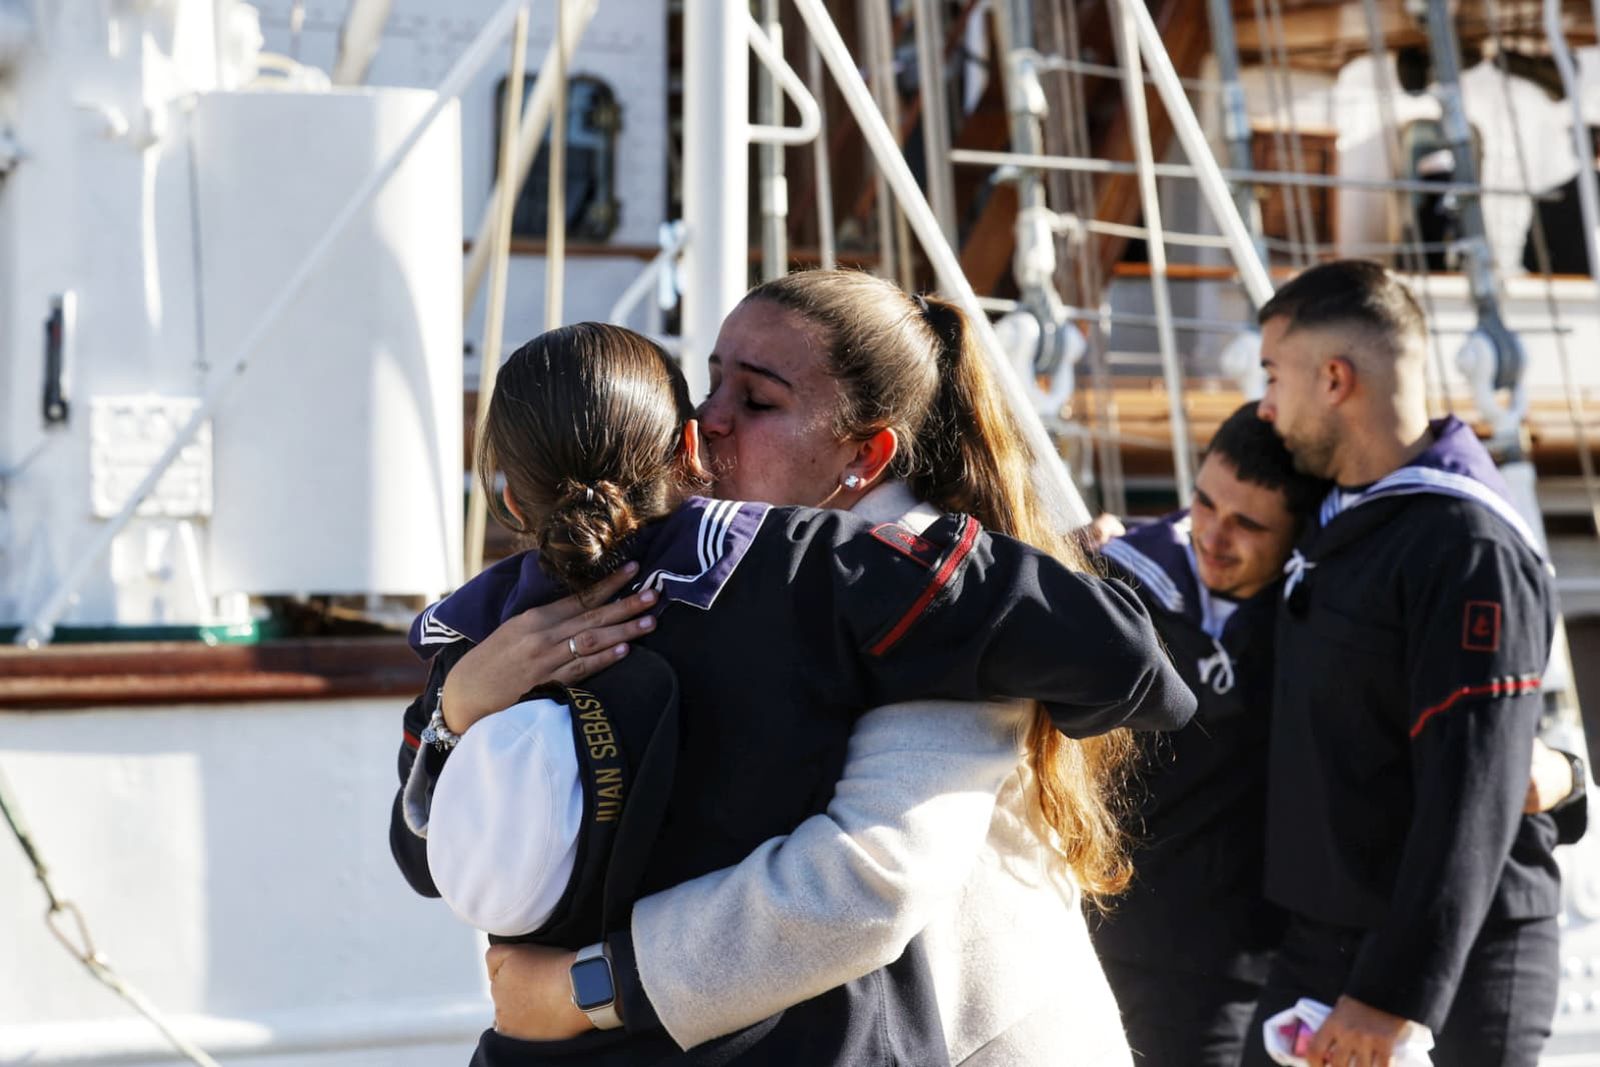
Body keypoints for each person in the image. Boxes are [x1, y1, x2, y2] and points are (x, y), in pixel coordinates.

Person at [390, 312, 1196, 1064]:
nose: (721, 414)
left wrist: (459, 708)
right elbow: (1124, 659)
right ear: (686, 447)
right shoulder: (815, 569)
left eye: (754, 395)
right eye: (711, 392)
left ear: (502, 493)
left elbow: (426, 860)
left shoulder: (473, 633)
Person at [1243, 260, 1574, 1067]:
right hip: (1327, 941)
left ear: (1333, 379)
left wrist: (1395, 995)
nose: (1264, 405)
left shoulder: (1467, 546)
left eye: (1272, 375)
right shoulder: (1337, 508)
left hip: (1445, 967)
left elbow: (1474, 786)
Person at [1088, 402, 1326, 1066]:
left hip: (1229, 966)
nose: (1214, 538)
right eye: (1204, 506)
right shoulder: (1119, 576)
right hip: (1089, 936)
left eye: (1248, 523)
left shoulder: (1325, 617)